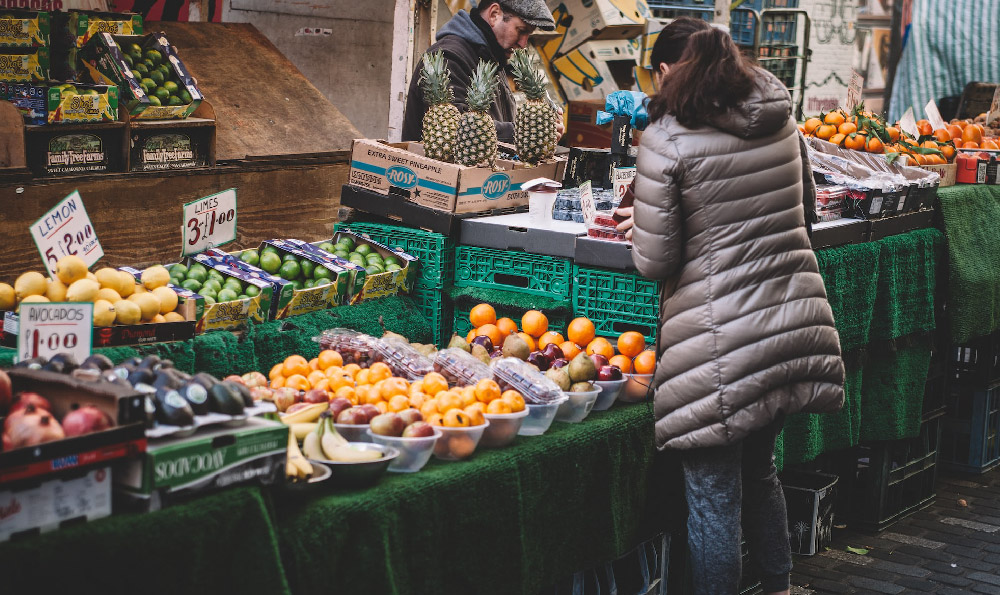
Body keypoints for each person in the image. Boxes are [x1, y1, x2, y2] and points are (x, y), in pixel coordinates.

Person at [616, 18, 845, 595]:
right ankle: (779, 585)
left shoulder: (667, 138)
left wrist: (641, 224)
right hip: (790, 319)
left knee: (713, 498)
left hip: (720, 340)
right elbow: (806, 207)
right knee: (758, 469)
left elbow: (655, 260)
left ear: (670, 70)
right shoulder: (781, 117)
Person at [401, 0, 563, 144]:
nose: (523, 43)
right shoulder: (449, 56)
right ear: (494, 14)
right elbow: (455, 128)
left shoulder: (492, 57)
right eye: (521, 30)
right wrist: (526, 132)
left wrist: (541, 129)